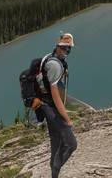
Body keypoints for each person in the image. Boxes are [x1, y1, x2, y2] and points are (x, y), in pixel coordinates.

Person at [39, 32, 78, 178]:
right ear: (58, 46)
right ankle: (55, 170)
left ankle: (54, 174)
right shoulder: (55, 65)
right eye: (64, 48)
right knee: (71, 143)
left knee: (55, 142)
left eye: (69, 49)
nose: (66, 52)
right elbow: (55, 97)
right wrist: (67, 118)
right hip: (51, 108)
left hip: (45, 105)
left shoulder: (49, 57)